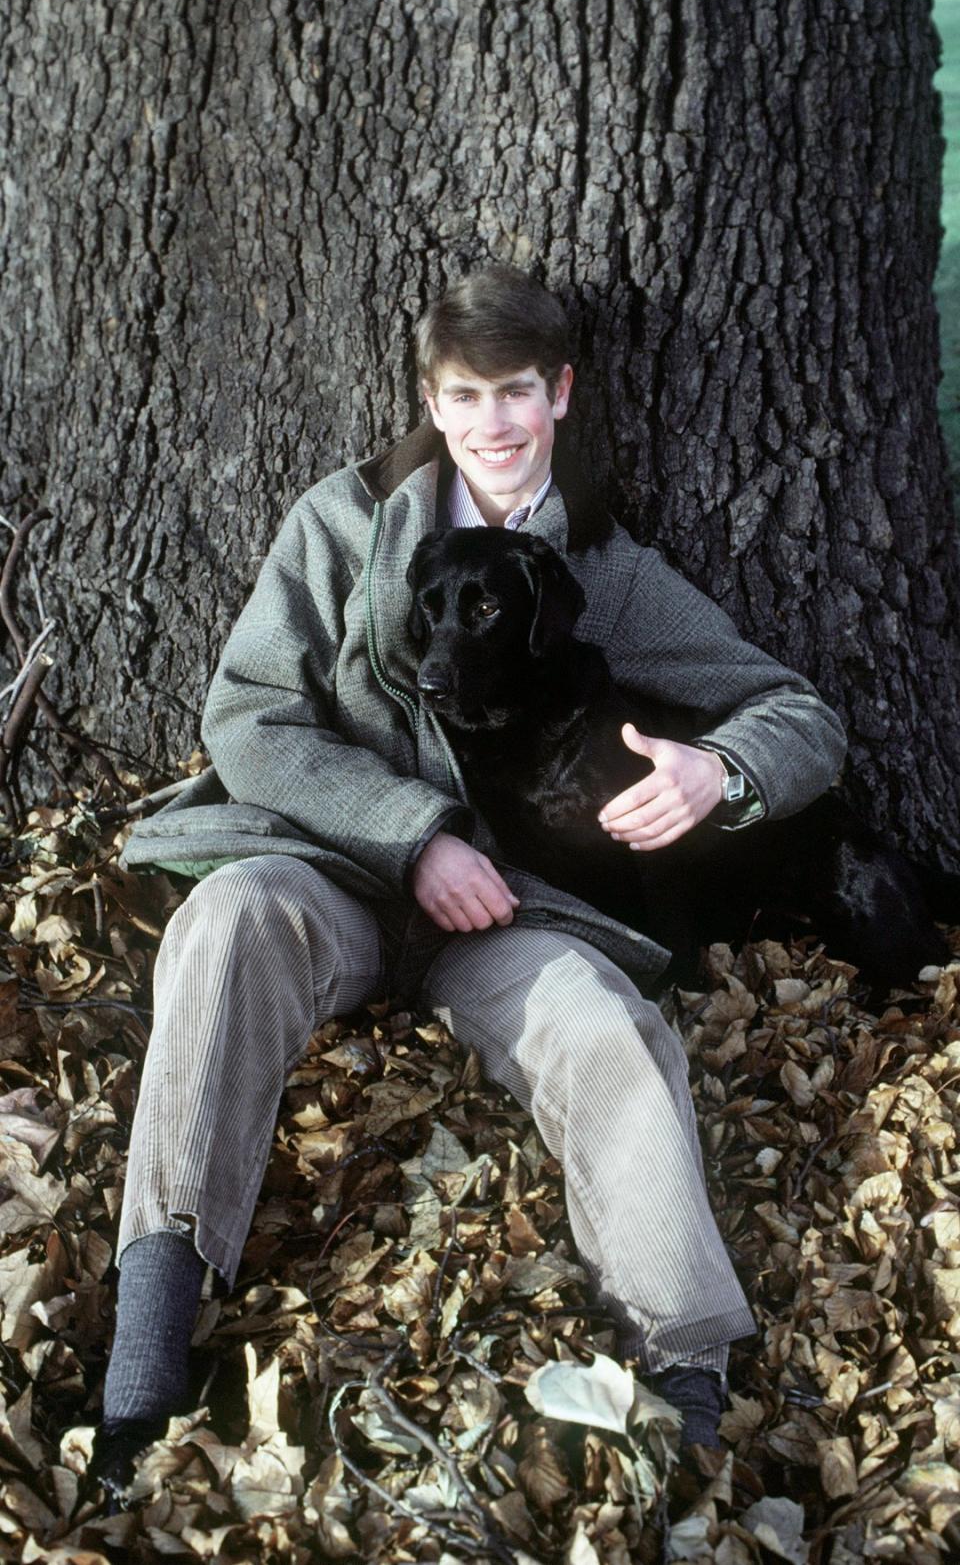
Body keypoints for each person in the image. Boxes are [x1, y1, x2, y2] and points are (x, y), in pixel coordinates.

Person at [94, 265, 847, 1492]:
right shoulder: (342, 523)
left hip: (507, 915)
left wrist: (722, 772)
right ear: (433, 403)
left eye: (517, 394)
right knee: (222, 925)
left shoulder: (603, 569)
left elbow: (798, 714)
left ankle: (690, 1384)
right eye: (464, 396)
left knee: (606, 1026)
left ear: (559, 394)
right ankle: (141, 1371)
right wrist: (412, 834)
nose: (494, 424)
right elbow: (249, 721)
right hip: (328, 869)